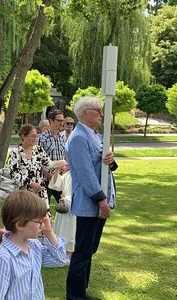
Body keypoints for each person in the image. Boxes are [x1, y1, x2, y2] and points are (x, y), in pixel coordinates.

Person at [66, 96, 118, 300]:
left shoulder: (94, 135)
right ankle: (75, 295)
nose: (101, 115)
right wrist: (101, 201)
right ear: (85, 113)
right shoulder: (79, 137)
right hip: (90, 205)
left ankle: (81, 291)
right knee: (82, 252)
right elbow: (86, 174)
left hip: (96, 203)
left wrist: (111, 161)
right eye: (98, 111)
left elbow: (103, 166)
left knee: (89, 251)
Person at [0, 190, 67, 300]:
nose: (42, 225)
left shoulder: (34, 246)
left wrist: (49, 232)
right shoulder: (4, 258)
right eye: (39, 221)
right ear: (20, 225)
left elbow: (60, 260)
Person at [9, 124, 66, 211]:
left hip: (40, 191)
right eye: (33, 136)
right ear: (24, 136)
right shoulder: (16, 152)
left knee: (45, 218)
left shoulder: (38, 150)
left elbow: (49, 164)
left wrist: (61, 163)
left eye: (36, 136)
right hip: (24, 193)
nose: (35, 138)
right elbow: (14, 173)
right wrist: (31, 184)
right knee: (28, 219)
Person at [37, 110, 66, 204]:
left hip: (60, 177)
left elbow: (63, 156)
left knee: (65, 205)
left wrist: (64, 168)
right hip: (45, 179)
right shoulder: (42, 138)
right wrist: (49, 175)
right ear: (51, 121)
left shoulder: (62, 137)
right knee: (44, 208)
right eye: (59, 120)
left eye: (62, 120)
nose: (62, 123)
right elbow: (37, 160)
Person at [49, 164, 76, 260]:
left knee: (70, 229)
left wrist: (67, 200)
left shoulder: (77, 173)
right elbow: (56, 185)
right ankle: (60, 250)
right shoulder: (67, 174)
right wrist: (56, 170)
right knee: (61, 228)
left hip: (72, 204)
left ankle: (69, 252)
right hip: (64, 203)